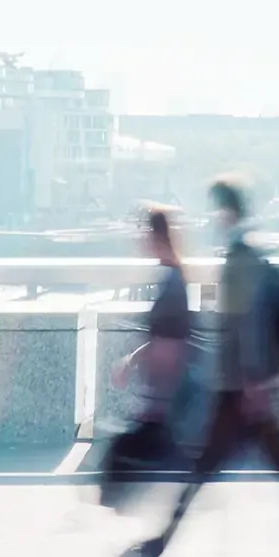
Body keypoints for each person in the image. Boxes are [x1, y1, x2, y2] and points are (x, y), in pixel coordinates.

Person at [127, 179, 279, 557]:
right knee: (234, 469)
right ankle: (156, 549)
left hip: (242, 391)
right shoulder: (245, 253)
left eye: (216, 209)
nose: (212, 218)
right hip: (241, 389)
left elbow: (248, 326)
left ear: (225, 211)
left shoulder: (240, 259)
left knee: (261, 469)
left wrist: (252, 383)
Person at [98, 206, 195, 508]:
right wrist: (134, 359)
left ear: (155, 237)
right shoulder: (173, 276)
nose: (141, 241)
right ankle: (163, 536)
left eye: (144, 234)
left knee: (170, 469)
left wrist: (157, 403)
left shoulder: (172, 282)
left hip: (168, 397)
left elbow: (169, 343)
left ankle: (162, 538)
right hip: (168, 396)